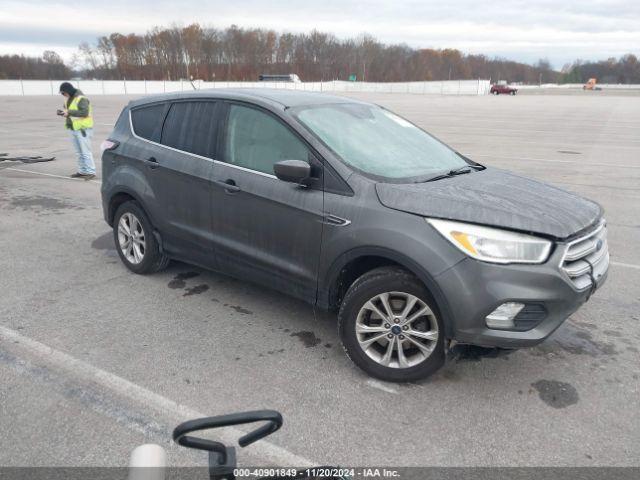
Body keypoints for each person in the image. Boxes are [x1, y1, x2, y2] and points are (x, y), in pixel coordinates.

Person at [59, 82, 96, 179]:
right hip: (73, 128)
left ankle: (91, 171)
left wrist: (69, 112)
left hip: (82, 128)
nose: (63, 95)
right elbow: (68, 110)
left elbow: (84, 112)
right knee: (79, 152)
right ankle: (82, 171)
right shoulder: (68, 99)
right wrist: (64, 113)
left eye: (63, 93)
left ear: (68, 91)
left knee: (85, 151)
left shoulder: (81, 98)